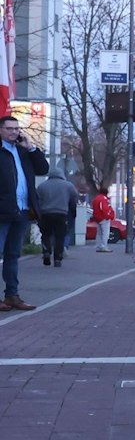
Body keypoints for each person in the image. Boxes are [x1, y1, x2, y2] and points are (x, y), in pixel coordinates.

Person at [0, 114, 51, 310]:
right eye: (9, 128)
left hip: (21, 211)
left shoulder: (23, 152)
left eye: (16, 128)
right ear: (1, 131)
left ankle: (12, 295)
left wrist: (31, 147)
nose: (14, 132)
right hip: (3, 211)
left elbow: (43, 169)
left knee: (13, 254)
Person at [36, 168, 78, 267]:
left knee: (46, 235)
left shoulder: (42, 186)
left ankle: (46, 252)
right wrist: (73, 214)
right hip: (61, 214)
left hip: (45, 214)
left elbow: (37, 201)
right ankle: (58, 258)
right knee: (60, 237)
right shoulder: (68, 186)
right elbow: (73, 200)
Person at [90, 183, 117, 252]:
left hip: (97, 218)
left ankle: (98, 246)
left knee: (99, 232)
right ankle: (104, 246)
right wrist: (109, 216)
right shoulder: (103, 199)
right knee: (105, 233)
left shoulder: (96, 198)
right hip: (103, 218)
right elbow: (105, 209)